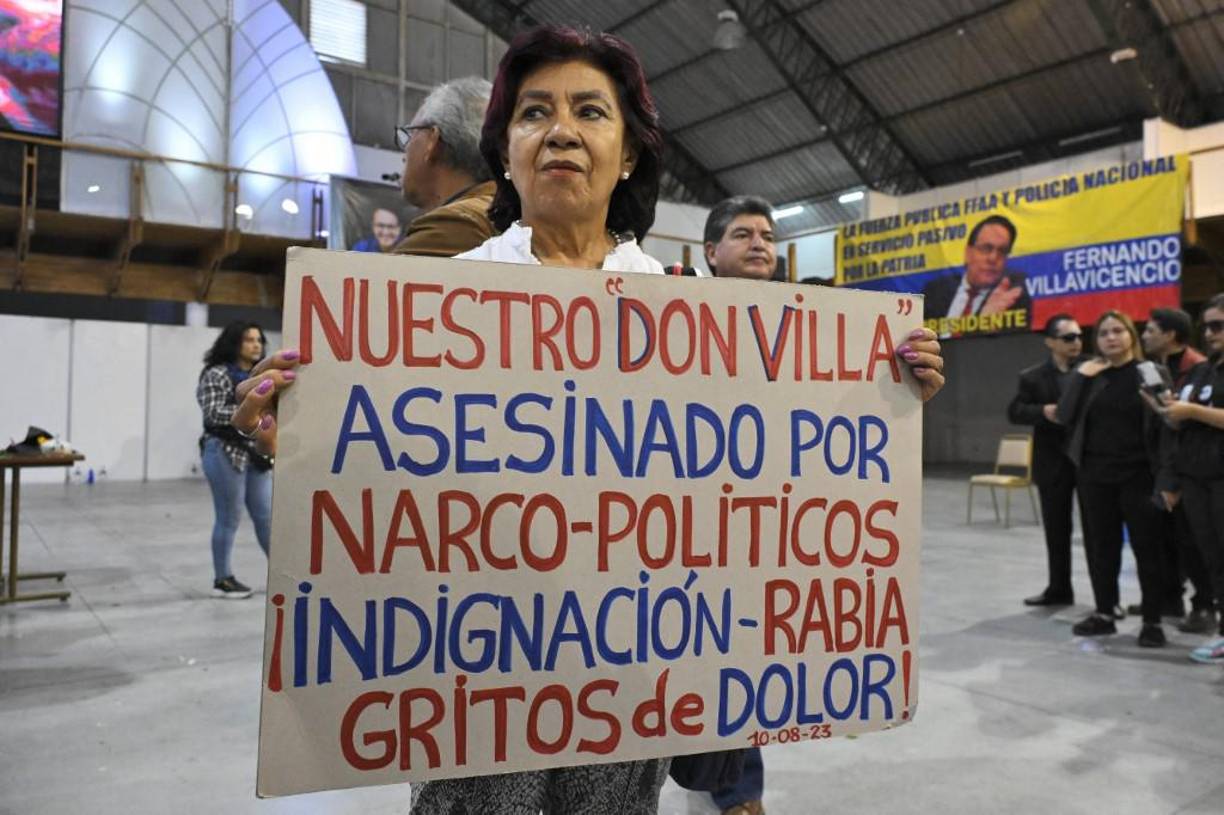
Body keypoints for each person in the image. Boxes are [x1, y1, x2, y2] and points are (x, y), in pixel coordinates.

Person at [230, 24, 945, 814]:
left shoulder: (694, 316)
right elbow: (379, 478)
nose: (562, 130)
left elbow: (762, 471)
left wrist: (880, 399)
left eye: (590, 112)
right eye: (535, 113)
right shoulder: (429, 299)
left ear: (629, 152)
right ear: (506, 148)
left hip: (625, 665)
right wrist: (291, 441)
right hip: (476, 667)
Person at [699, 193, 778, 815]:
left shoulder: (809, 331)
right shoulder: (674, 317)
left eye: (768, 236)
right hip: (686, 520)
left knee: (740, 653)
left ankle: (738, 790)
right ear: (710, 252)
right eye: (743, 233)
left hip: (764, 521)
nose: (759, 244)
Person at [1058, 311, 1171, 647]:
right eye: (1104, 332)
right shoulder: (1090, 374)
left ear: (1130, 336)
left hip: (1139, 475)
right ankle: (1104, 613)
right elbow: (1064, 416)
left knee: (1147, 550)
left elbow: (1167, 425)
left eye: (1118, 330)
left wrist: (1167, 479)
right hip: (1094, 477)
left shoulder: (1149, 372)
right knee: (1101, 549)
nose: (1111, 337)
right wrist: (1080, 375)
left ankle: (1152, 620)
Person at [1153, 294, 1224, 664]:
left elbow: (1198, 414)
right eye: (1207, 325)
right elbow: (1180, 425)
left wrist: (1193, 410)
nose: (1211, 333)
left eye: (1219, 325)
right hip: (1196, 478)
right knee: (1211, 559)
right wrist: (1167, 408)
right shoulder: (1203, 370)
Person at [1140, 307, 1212, 628]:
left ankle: (1204, 605)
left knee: (1194, 543)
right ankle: (1169, 599)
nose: (1144, 336)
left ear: (1169, 335)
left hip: (1188, 470)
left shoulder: (1198, 369)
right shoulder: (1154, 368)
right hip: (1160, 466)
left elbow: (1189, 429)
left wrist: (1175, 479)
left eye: (1150, 330)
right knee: (1165, 540)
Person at [1007, 313, 1085, 607]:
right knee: (1056, 529)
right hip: (1052, 462)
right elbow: (1014, 411)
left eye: (1078, 336)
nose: (1076, 342)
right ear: (1050, 342)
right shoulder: (1032, 376)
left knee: (1098, 532)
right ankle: (1059, 588)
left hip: (1088, 461)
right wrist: (1043, 412)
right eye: (1068, 337)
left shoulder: (1092, 369)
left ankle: (1107, 598)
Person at [196, 321, 274, 599]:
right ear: (234, 342)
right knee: (229, 517)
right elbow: (213, 412)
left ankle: (280, 572)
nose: (256, 345)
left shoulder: (262, 374)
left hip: (257, 455)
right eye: (248, 339)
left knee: (266, 517)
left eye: (259, 339)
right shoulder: (217, 373)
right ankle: (223, 579)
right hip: (224, 451)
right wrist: (254, 412)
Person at [392, 76, 498, 257]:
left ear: (431, 141)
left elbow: (377, 284)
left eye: (410, 133)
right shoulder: (513, 213)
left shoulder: (458, 225)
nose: (405, 152)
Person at [922, 215, 1031, 336]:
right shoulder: (934, 291)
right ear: (968, 253)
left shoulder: (1011, 303)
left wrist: (984, 325)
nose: (993, 258)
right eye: (986, 248)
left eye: (1002, 251)